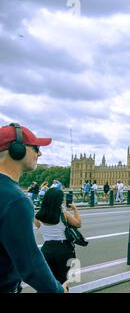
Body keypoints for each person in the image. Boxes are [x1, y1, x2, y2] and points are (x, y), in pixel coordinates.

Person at [0, 123, 67, 293]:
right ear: (17, 150)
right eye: (36, 147)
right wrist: (58, 290)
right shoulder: (15, 200)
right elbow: (30, 264)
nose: (40, 153)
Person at [34, 188, 81, 284]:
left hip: (46, 250)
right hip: (64, 250)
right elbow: (78, 224)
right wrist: (75, 209)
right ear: (58, 201)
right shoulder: (63, 215)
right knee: (64, 281)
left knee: (50, 281)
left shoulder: (37, 217)